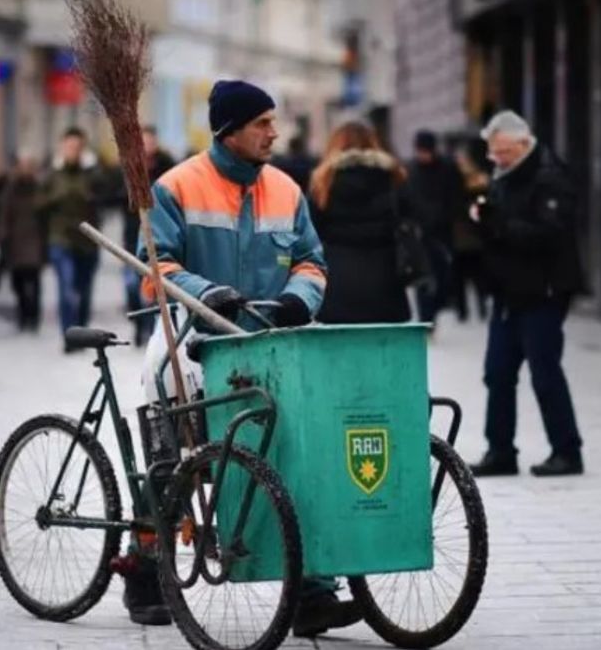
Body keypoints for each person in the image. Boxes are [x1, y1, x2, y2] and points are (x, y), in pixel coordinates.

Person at [133, 80, 354, 638]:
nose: (273, 132)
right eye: (262, 123)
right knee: (171, 440)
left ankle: (312, 589)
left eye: (272, 122)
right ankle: (143, 565)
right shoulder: (175, 186)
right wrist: (205, 293)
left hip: (268, 337)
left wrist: (295, 301)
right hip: (188, 335)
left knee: (303, 449)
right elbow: (152, 268)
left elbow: (313, 263)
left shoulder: (286, 189)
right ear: (229, 130)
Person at [468, 111, 585, 478]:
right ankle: (500, 450)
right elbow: (502, 228)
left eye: (502, 151)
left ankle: (567, 451)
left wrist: (495, 223)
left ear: (523, 142)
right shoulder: (505, 175)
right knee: (497, 372)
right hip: (508, 291)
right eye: (493, 153)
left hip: (543, 290)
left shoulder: (549, 176)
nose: (496, 159)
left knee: (544, 371)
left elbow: (547, 234)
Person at [308, 121, 410, 324]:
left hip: (338, 279)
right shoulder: (393, 176)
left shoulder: (323, 180)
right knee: (383, 347)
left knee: (341, 348)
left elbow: (312, 231)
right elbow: (408, 217)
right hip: (385, 277)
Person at [39, 127, 102, 350]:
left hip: (88, 241)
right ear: (62, 147)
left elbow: (108, 195)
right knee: (66, 288)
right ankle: (69, 336)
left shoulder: (92, 174)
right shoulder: (51, 175)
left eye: (77, 147)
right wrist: (57, 197)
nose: (73, 151)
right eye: (69, 146)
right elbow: (39, 205)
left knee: (84, 291)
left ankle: (81, 333)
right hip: (61, 239)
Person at [121, 126, 176, 346]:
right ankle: (138, 326)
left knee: (155, 288)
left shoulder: (167, 167)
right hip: (132, 235)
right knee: (132, 287)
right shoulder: (128, 167)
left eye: (150, 142)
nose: (148, 146)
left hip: (159, 234)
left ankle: (153, 331)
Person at [404, 130, 464, 326]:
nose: (423, 155)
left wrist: (445, 217)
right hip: (419, 233)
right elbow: (406, 199)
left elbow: (457, 197)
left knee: (445, 275)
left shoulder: (448, 168)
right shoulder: (410, 170)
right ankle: (426, 320)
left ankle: (437, 309)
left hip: (442, 231)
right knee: (424, 278)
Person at [0, 150, 46, 332]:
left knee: (34, 282)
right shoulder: (10, 189)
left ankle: (33, 316)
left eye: (29, 166)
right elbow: (4, 214)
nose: (26, 169)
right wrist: (3, 236)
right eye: (23, 166)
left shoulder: (39, 187)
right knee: (17, 283)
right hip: (15, 242)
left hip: (35, 241)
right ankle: (23, 314)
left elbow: (45, 215)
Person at [451, 137, 492, 323]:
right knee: (464, 275)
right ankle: (464, 309)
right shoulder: (457, 177)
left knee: (476, 275)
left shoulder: (480, 178)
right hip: (462, 233)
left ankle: (475, 307)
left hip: (473, 234)